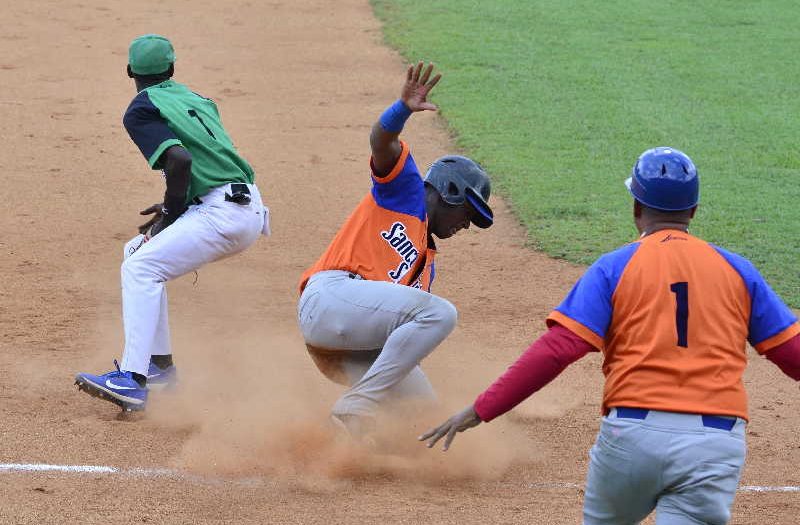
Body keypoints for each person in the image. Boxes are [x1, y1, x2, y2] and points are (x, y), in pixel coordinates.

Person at [420, 147, 800, 524]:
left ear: (636, 208)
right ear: (693, 211)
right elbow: (793, 354)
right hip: (714, 444)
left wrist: (482, 408)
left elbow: (556, 351)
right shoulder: (739, 272)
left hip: (633, 437)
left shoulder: (614, 268)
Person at [297, 62, 494, 441]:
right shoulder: (405, 191)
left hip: (346, 347)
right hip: (329, 297)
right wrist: (402, 109)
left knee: (422, 421)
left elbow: (402, 344)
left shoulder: (425, 269)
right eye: (467, 214)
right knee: (441, 313)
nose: (465, 225)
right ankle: (355, 407)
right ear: (449, 192)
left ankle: (341, 444)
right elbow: (381, 141)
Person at [75, 34, 270, 412]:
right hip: (241, 204)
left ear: (130, 71)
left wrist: (171, 213)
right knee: (136, 251)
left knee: (140, 268)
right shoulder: (199, 100)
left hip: (221, 214)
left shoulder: (141, 109)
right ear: (172, 68)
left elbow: (179, 161)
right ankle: (161, 368)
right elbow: (203, 158)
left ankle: (132, 379)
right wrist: (175, 205)